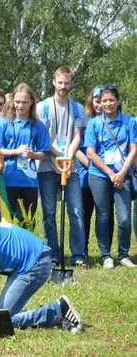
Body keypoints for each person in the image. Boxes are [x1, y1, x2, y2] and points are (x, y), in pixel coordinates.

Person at [36, 66, 87, 268]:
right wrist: (59, 157)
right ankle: (53, 254)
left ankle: (78, 255)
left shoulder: (78, 108)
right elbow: (43, 139)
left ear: (71, 84)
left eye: (67, 83)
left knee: (75, 211)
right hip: (47, 166)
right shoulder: (42, 107)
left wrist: (68, 157)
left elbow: (77, 136)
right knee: (49, 212)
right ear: (53, 82)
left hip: (70, 167)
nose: (63, 86)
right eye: (60, 82)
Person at [84, 85, 137, 269]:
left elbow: (134, 150)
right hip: (99, 174)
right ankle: (106, 256)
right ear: (99, 102)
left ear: (118, 101)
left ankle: (123, 255)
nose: (107, 104)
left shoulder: (130, 122)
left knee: (124, 218)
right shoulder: (94, 123)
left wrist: (122, 173)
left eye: (111, 100)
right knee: (103, 215)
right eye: (103, 101)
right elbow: (90, 152)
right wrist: (111, 173)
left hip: (124, 175)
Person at [0, 83, 49, 221]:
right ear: (12, 102)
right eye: (17, 102)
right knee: (6, 219)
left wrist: (32, 154)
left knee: (28, 220)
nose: (20, 106)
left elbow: (43, 152)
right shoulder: (4, 124)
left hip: (29, 180)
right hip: (8, 178)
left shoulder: (38, 125)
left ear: (31, 102)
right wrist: (15, 151)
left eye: (24, 102)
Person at [76, 86, 113, 257]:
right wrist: (93, 166)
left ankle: (106, 251)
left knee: (106, 212)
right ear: (92, 101)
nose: (100, 104)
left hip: (107, 175)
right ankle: (82, 250)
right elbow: (77, 149)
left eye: (103, 100)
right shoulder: (84, 120)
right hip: (86, 174)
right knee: (85, 213)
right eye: (97, 101)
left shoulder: (111, 121)